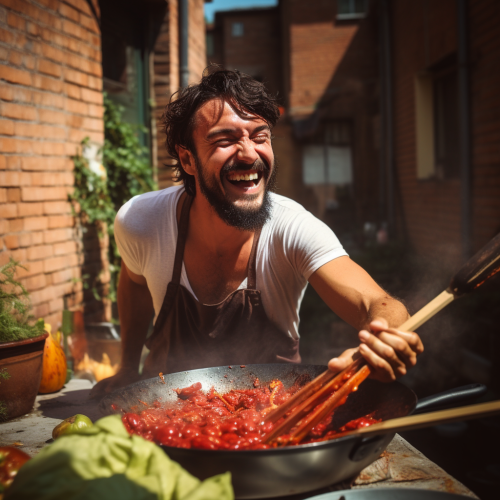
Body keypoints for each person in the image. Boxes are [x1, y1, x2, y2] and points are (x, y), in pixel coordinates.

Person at [90, 69, 423, 399]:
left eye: (260, 137)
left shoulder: (293, 228)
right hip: (162, 412)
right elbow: (133, 281)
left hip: (272, 419)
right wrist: (127, 368)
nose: (250, 154)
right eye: (225, 140)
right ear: (187, 158)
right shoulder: (142, 221)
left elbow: (375, 302)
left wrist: (385, 333)